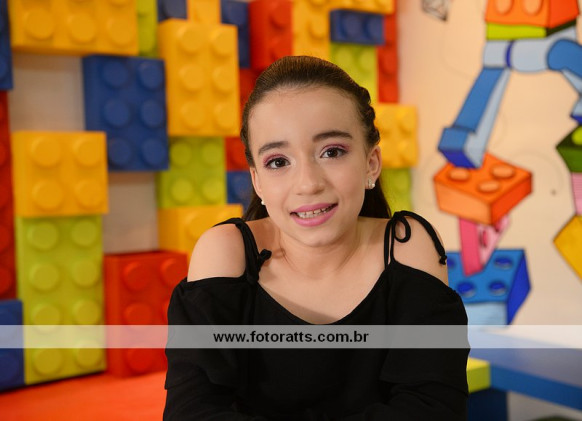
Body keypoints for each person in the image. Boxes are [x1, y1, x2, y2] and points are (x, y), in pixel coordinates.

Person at [163, 56, 469, 420]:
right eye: (278, 161)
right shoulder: (227, 253)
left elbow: (434, 406)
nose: (308, 183)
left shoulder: (407, 246)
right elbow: (192, 410)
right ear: (257, 180)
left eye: (332, 152)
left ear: (371, 163)